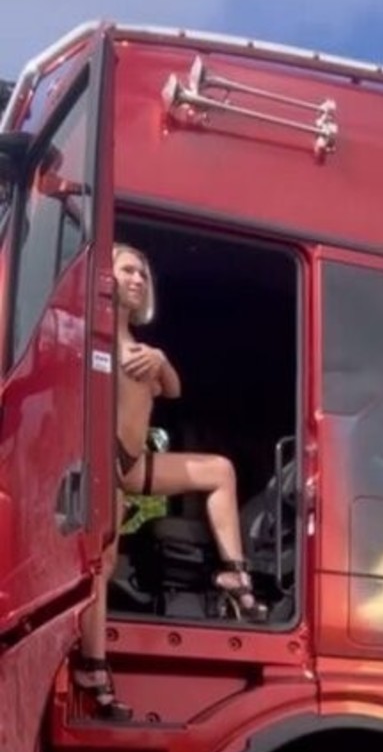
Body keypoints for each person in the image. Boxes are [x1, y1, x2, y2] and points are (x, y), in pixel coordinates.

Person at [72, 244, 266, 721]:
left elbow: (173, 390)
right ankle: (93, 669)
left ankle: (234, 575)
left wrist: (159, 358)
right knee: (102, 563)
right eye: (128, 270)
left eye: (143, 273)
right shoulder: (91, 334)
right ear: (106, 277)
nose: (138, 279)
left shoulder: (141, 349)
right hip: (103, 462)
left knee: (220, 471)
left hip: (135, 463)